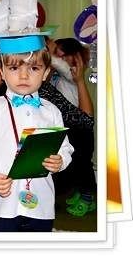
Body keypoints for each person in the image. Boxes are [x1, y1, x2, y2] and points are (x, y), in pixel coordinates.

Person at [0, 33, 74, 232]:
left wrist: (60, 161)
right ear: (2, 72)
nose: (24, 76)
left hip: (41, 204)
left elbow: (65, 147)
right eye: (14, 68)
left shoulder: (52, 111)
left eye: (34, 68)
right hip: (3, 204)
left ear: (45, 73)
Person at [44, 37, 96, 216]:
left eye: (63, 55)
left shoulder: (70, 75)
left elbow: (61, 66)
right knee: (76, 163)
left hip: (80, 127)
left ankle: (88, 197)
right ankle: (81, 192)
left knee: (83, 164)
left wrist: (49, 53)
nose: (60, 60)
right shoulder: (57, 76)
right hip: (69, 126)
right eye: (58, 55)